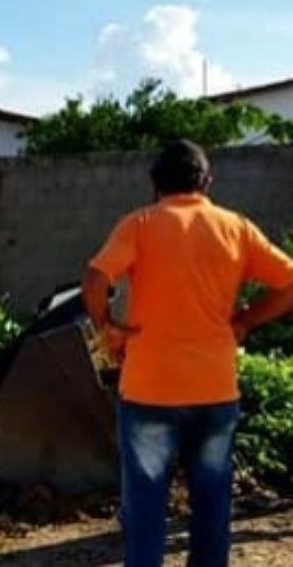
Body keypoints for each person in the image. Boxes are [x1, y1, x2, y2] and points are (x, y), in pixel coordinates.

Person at [81, 139, 293, 567]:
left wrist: (109, 328)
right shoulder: (236, 227)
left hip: (149, 392)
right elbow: (289, 283)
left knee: (145, 506)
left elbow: (94, 281)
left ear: (155, 184)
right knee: (213, 499)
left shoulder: (138, 224)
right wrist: (245, 321)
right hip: (215, 390)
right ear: (206, 182)